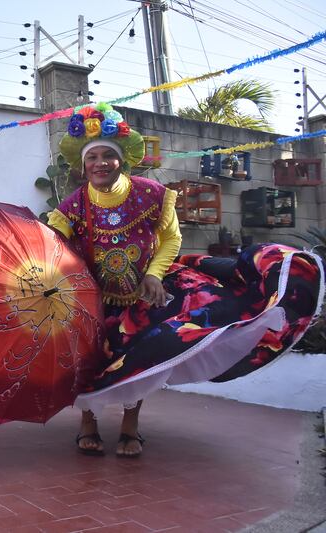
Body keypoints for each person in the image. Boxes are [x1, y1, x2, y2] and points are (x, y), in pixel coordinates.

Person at [47, 103, 323, 458]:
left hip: (147, 293)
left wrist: (153, 275)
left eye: (107, 156)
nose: (100, 163)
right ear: (83, 165)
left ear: (122, 159)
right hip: (95, 297)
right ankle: (88, 422)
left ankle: (130, 426)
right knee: (90, 360)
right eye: (92, 158)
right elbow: (50, 244)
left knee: (143, 357)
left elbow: (171, 240)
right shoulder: (71, 205)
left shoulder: (150, 193)